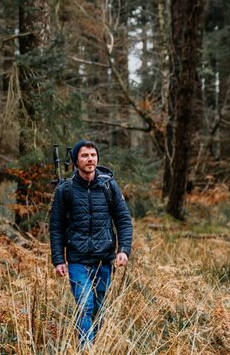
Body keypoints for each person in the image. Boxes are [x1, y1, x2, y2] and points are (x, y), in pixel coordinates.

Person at [48, 140, 133, 346]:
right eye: (85, 155)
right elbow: (56, 227)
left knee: (101, 306)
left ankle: (98, 343)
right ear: (76, 161)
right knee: (84, 304)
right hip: (77, 260)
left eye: (93, 155)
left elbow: (123, 220)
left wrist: (123, 250)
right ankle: (86, 349)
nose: (90, 159)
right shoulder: (65, 190)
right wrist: (58, 259)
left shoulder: (108, 185)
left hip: (105, 259)